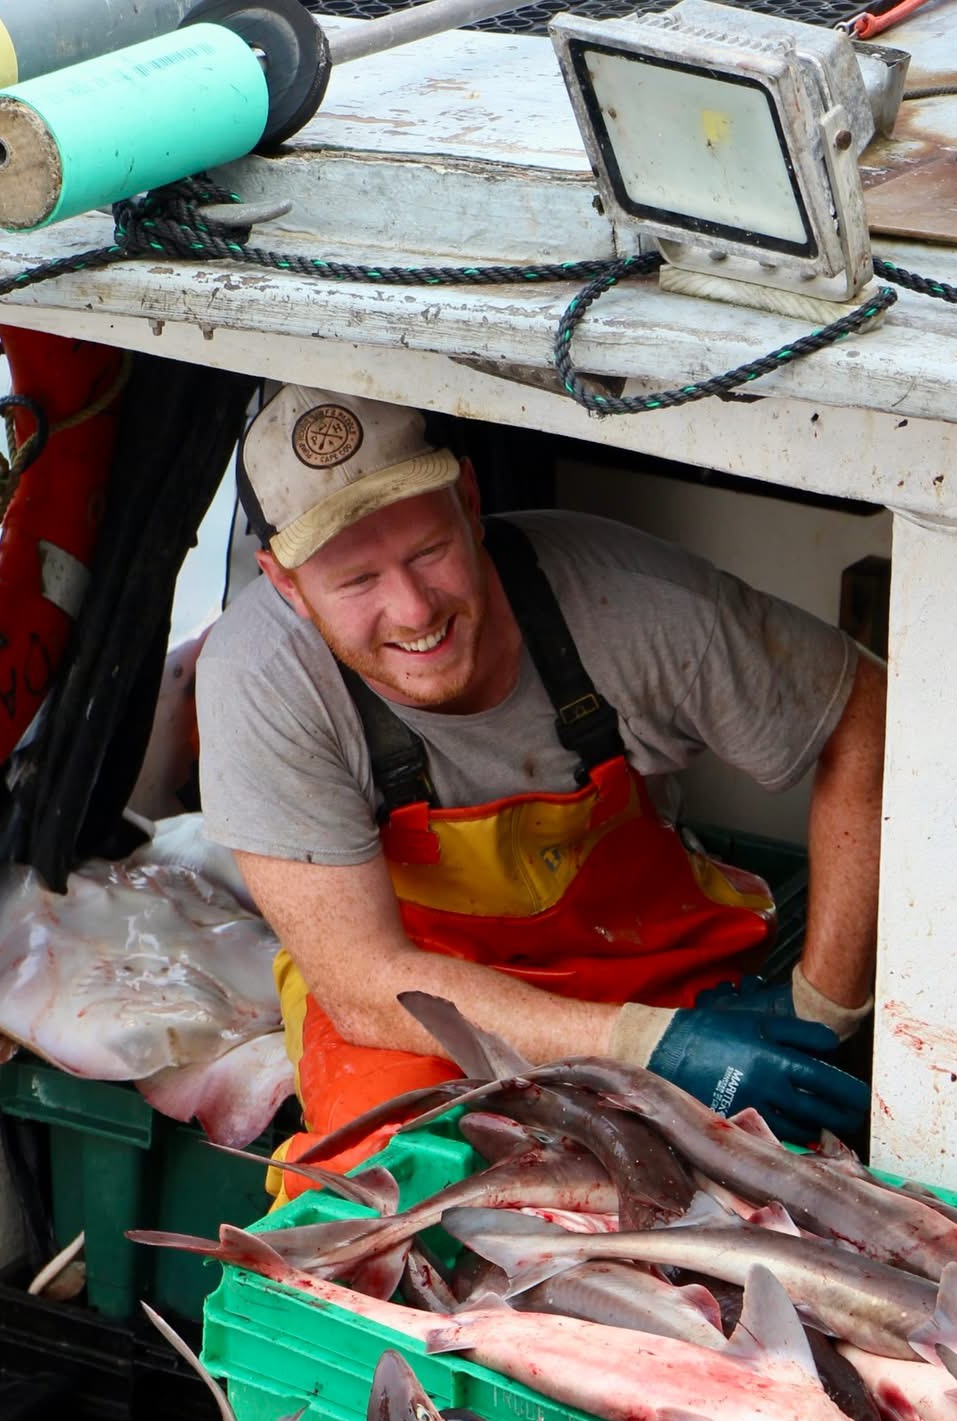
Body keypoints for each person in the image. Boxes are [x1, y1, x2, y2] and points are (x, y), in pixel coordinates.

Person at [195, 386, 886, 1195]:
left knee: (756, 1188)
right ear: (283, 584)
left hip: (641, 962)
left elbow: (863, 714)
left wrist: (825, 1007)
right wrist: (647, 1051)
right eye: (356, 581)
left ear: (469, 500)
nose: (414, 609)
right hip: (410, 998)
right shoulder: (259, 682)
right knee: (371, 1191)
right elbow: (360, 982)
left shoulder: (631, 603)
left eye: (427, 551)